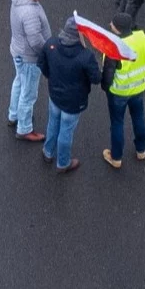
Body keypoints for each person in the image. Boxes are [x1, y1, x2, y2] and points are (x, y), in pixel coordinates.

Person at [38, 18, 102, 173]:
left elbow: (42, 65)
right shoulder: (85, 56)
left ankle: (48, 152)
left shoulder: (50, 44)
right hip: (74, 102)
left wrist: (51, 78)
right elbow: (96, 78)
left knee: (53, 123)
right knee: (66, 131)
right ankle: (63, 162)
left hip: (55, 95)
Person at [100, 14, 145, 170]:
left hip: (119, 92)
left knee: (117, 123)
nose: (110, 24)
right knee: (138, 117)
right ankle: (141, 149)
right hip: (139, 87)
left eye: (113, 24)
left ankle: (116, 157)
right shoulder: (142, 37)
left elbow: (107, 76)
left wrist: (105, 88)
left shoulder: (114, 46)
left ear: (118, 28)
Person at [9, 0, 51, 141]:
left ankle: (14, 115)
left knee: (19, 82)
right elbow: (35, 40)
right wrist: (48, 52)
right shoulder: (30, 13)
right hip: (29, 58)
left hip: (18, 51)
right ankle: (24, 128)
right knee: (29, 94)